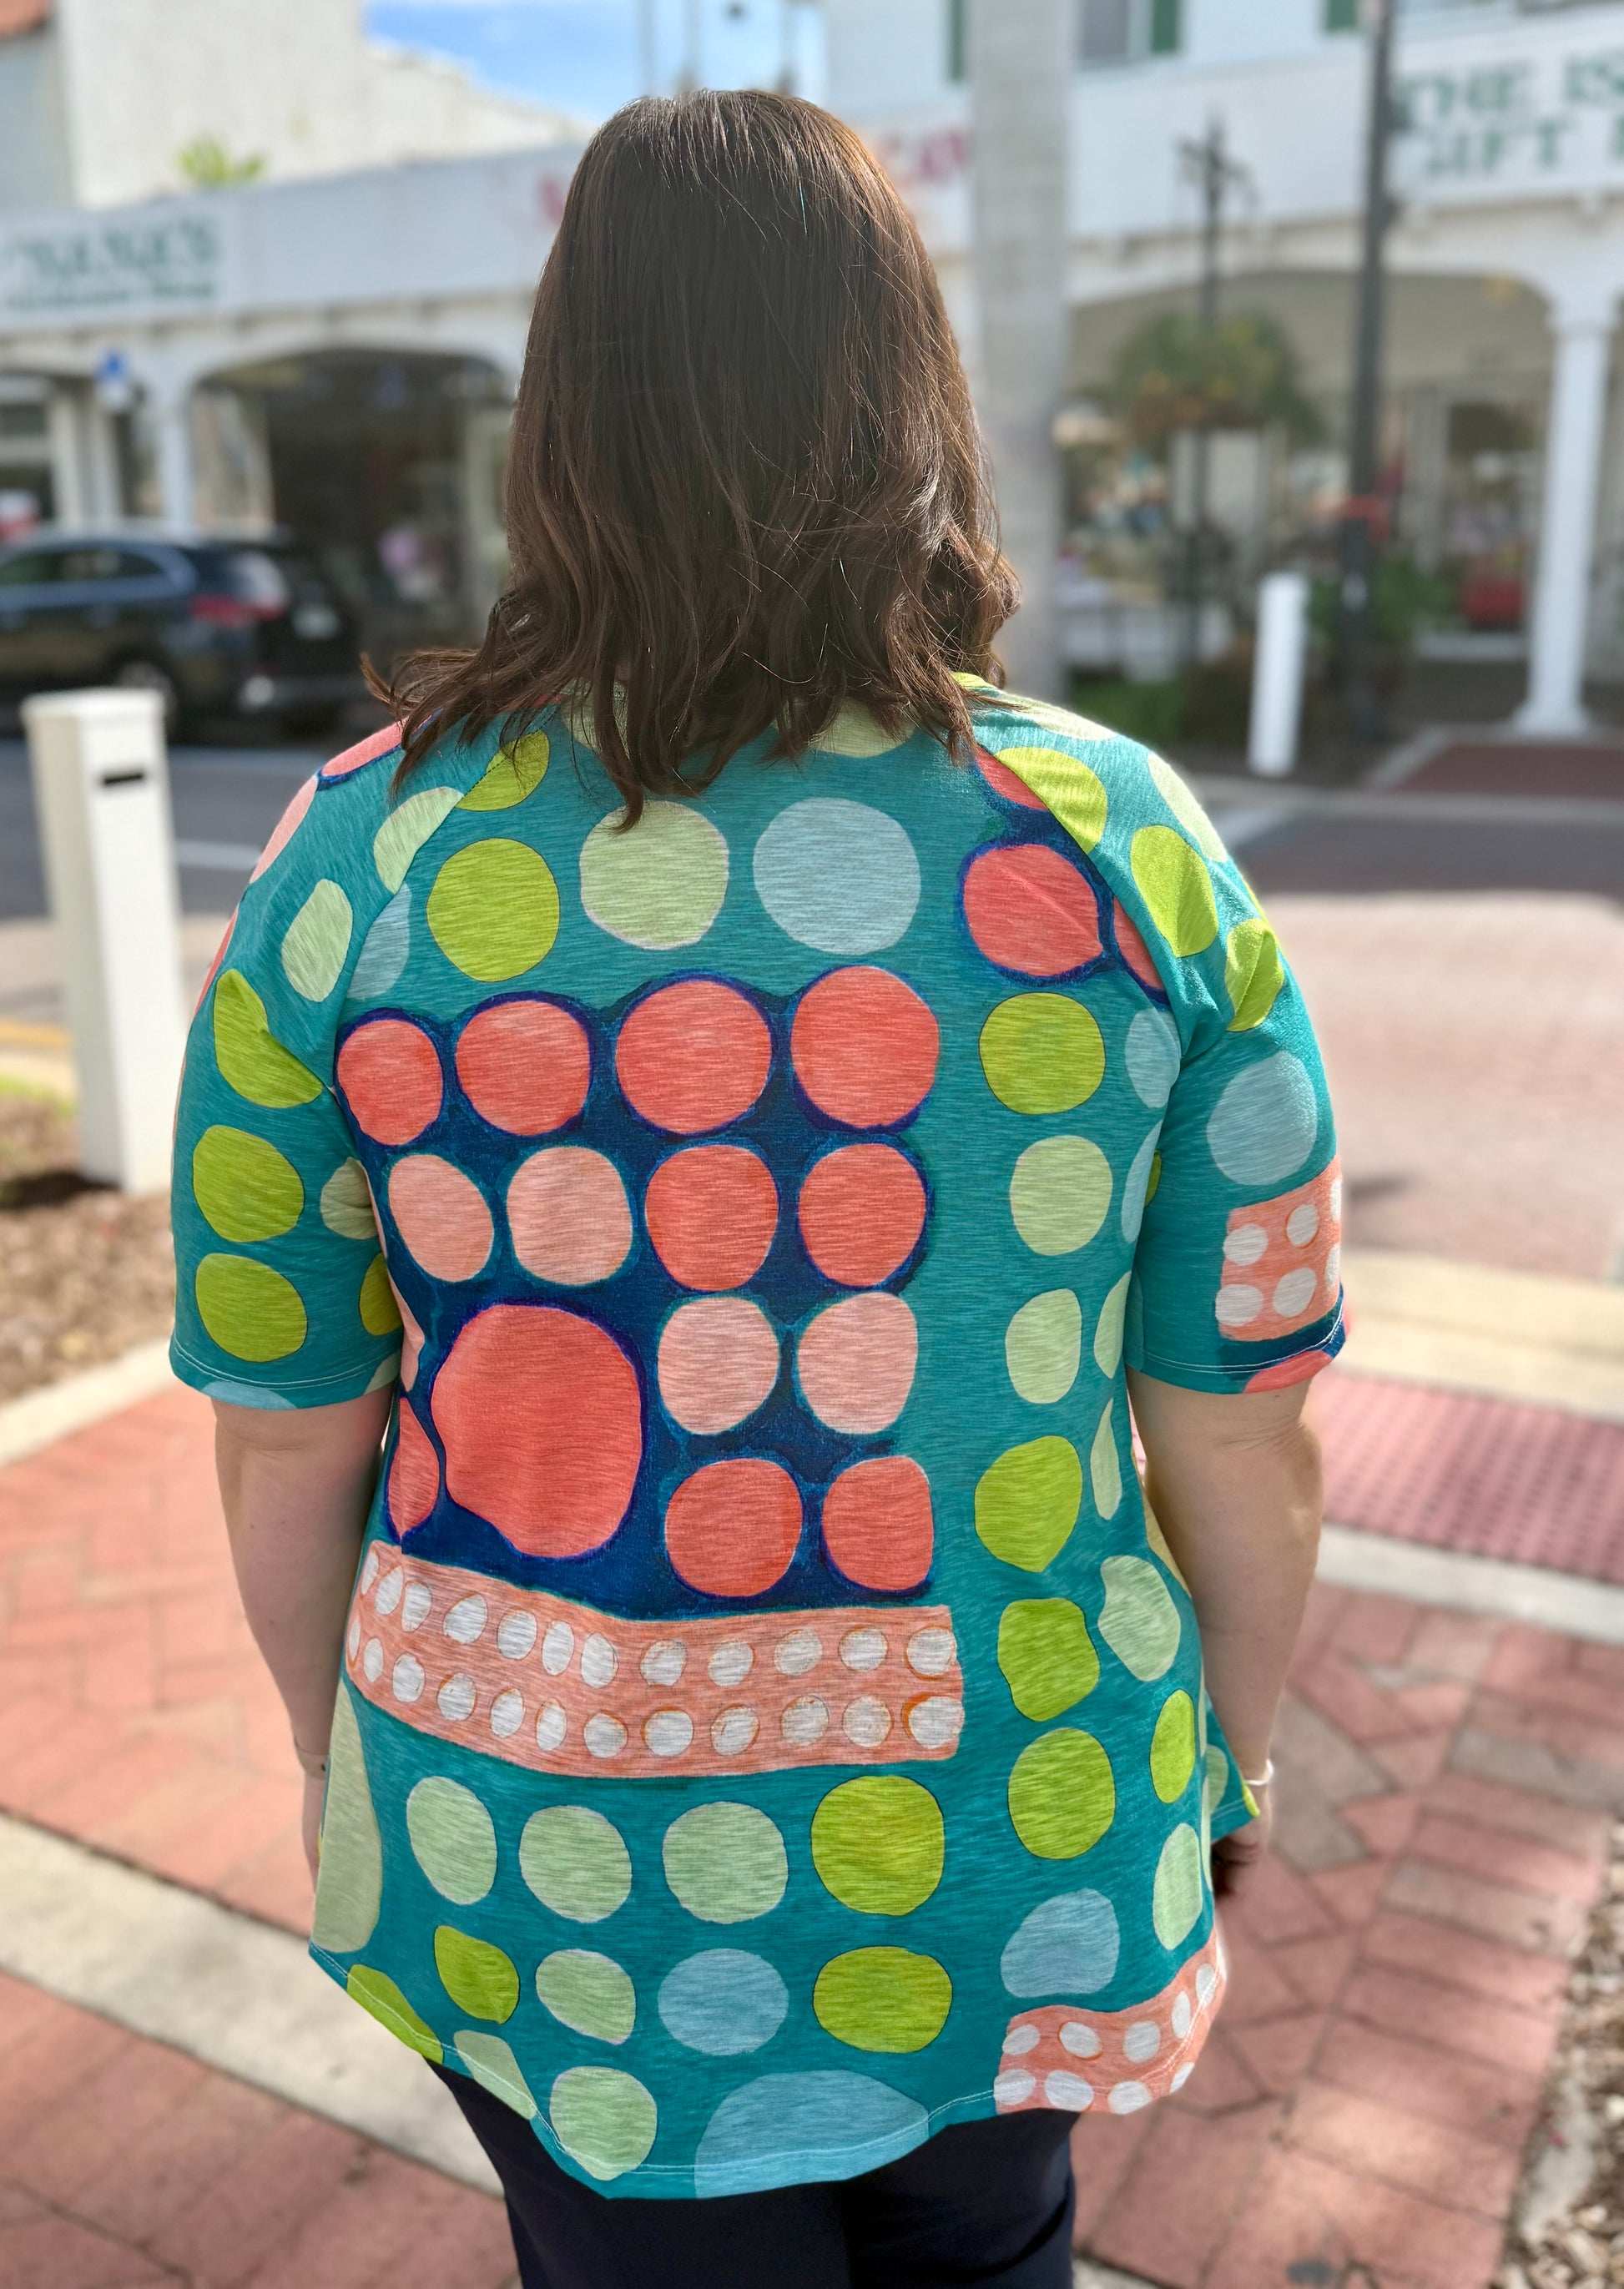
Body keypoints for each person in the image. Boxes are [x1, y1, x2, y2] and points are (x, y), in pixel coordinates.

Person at [170, 90, 1334, 2289]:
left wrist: (350, 1763)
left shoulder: (358, 862)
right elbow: (1239, 1414)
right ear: (908, 398)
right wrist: (1235, 1759)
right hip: (1016, 1831)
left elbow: (283, 1428)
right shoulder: (1124, 851)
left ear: (561, 423)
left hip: (539, 1851)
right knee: (991, 2250)